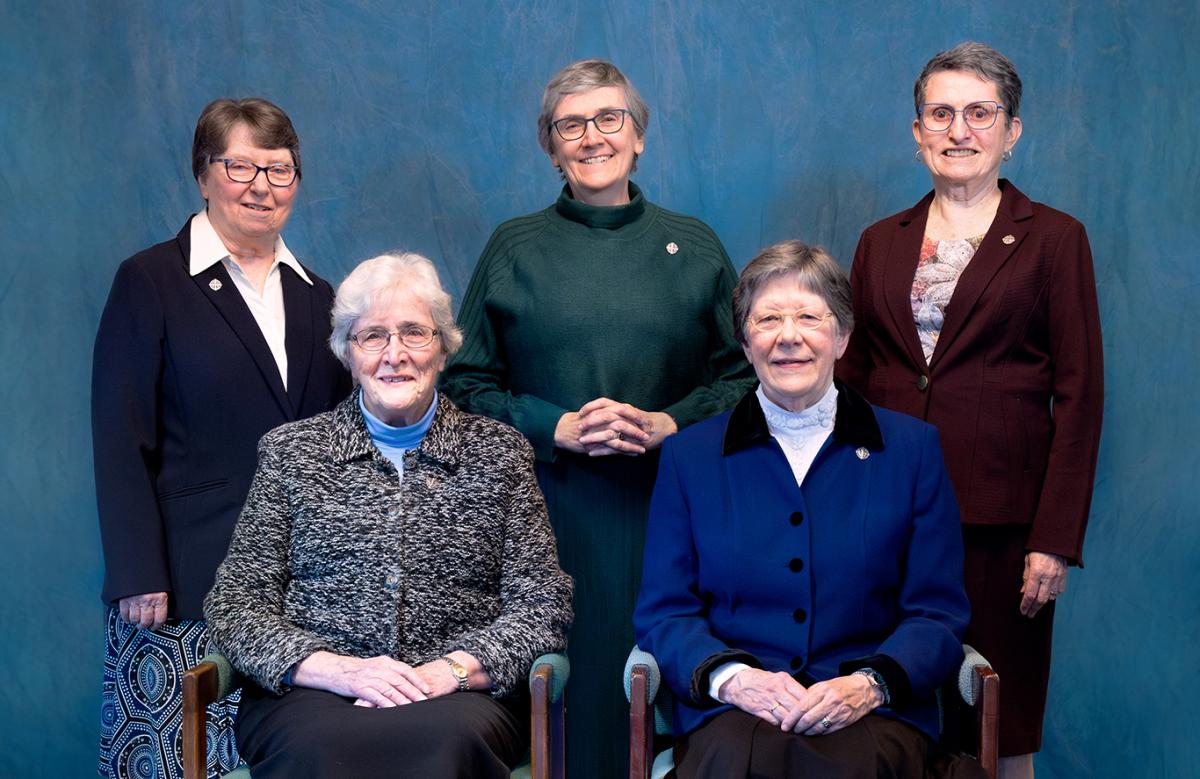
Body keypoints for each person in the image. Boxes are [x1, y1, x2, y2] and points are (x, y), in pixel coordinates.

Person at [442, 58, 755, 774]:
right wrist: (554, 426)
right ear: (551, 147)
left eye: (609, 119)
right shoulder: (514, 246)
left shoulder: (695, 244)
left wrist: (671, 422)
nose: (592, 137)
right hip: (545, 513)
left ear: (638, 136)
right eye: (570, 125)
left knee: (661, 679)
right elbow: (464, 382)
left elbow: (745, 377)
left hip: (671, 508)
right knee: (564, 695)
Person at [836, 42, 1104, 779]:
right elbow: (850, 383)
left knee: (997, 722)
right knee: (892, 713)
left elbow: (1080, 396)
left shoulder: (1055, 239)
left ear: (1012, 131)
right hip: (886, 513)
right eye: (941, 113)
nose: (959, 130)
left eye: (980, 113)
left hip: (1003, 525)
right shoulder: (879, 242)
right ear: (917, 131)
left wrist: (1054, 540)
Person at [203, 252, 574, 778]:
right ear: (347, 353)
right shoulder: (291, 453)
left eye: (414, 333)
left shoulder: (500, 453)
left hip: (457, 696)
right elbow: (236, 603)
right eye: (372, 336)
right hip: (315, 693)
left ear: (443, 350)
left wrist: (448, 672)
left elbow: (542, 604)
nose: (394, 355)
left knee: (444, 745)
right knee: (319, 748)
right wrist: (336, 671)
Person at [634, 241, 983, 778]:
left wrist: (869, 685)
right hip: (738, 711)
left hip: (870, 707)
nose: (788, 336)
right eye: (768, 319)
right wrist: (735, 680)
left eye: (808, 317)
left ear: (842, 337)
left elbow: (936, 613)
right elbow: (666, 612)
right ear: (745, 342)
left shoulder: (912, 451)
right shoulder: (689, 457)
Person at [92, 97, 350, 779]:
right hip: (183, 582)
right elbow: (120, 435)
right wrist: (137, 570)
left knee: (277, 763)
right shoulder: (150, 280)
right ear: (203, 174)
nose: (261, 186)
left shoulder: (320, 298)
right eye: (241, 167)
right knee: (175, 760)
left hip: (300, 588)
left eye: (279, 169)